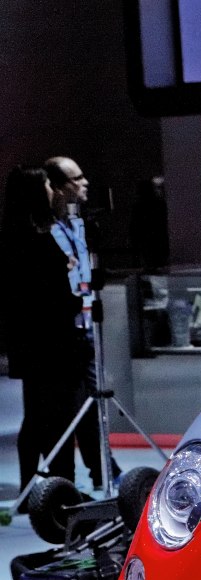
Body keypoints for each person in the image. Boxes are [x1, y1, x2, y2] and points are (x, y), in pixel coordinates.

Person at [0, 166, 93, 501]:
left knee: (35, 416)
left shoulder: (11, 237)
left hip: (29, 344)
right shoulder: (37, 241)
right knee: (58, 418)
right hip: (52, 343)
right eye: (46, 186)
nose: (52, 191)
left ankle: (31, 488)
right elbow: (55, 297)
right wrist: (71, 290)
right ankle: (61, 490)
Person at [43, 155, 118, 492]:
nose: (85, 183)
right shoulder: (46, 232)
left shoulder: (79, 224)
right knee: (71, 406)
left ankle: (103, 469)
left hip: (86, 325)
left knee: (92, 400)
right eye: (77, 178)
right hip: (62, 329)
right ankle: (68, 479)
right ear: (59, 188)